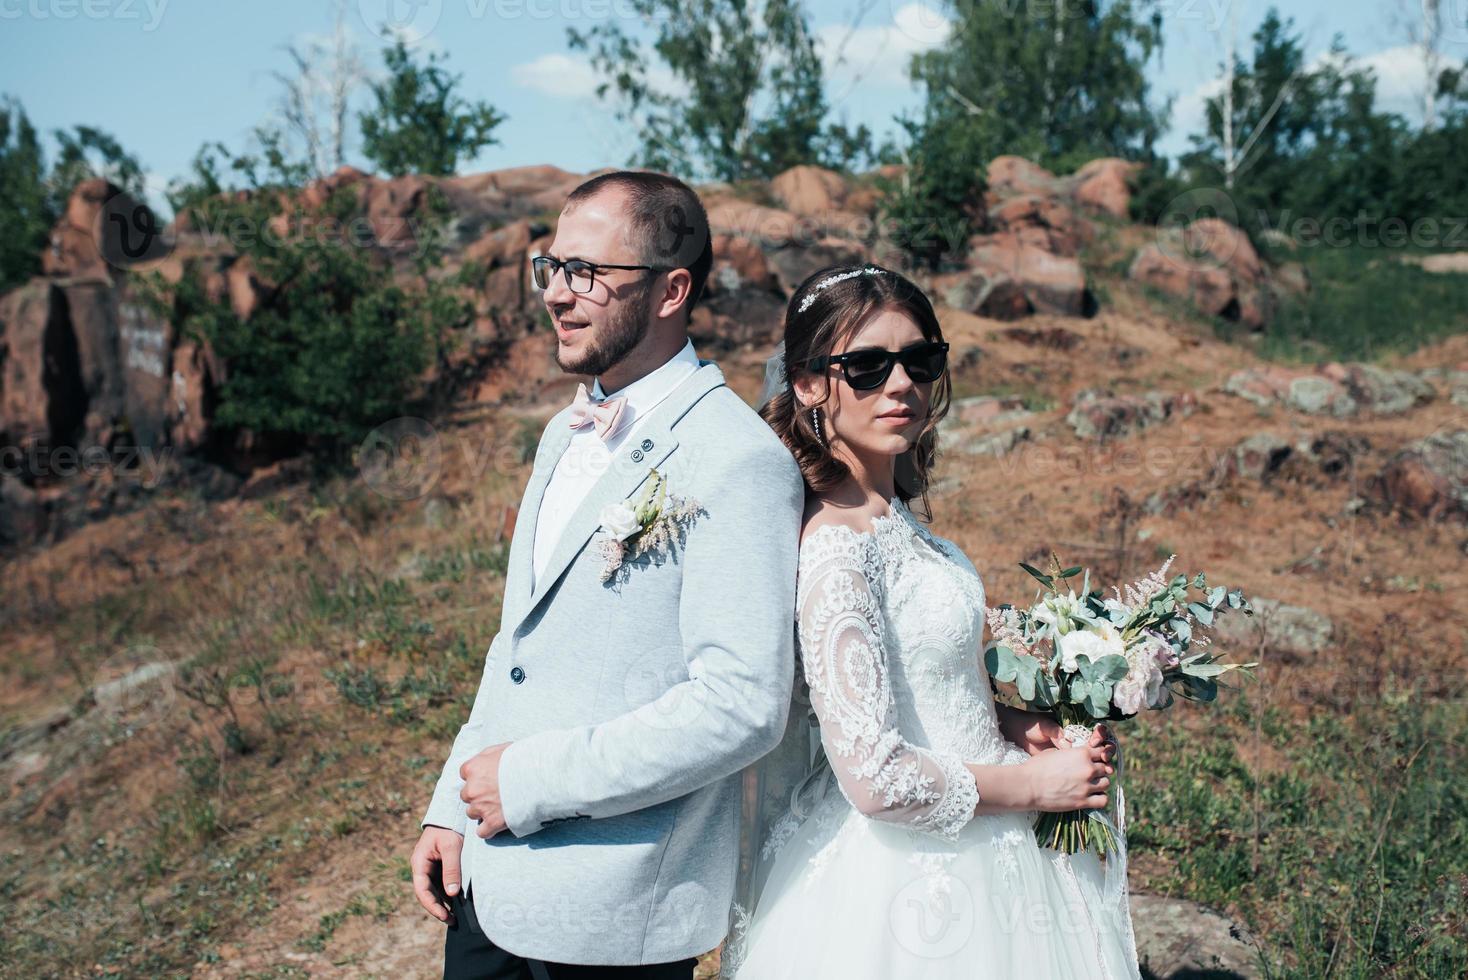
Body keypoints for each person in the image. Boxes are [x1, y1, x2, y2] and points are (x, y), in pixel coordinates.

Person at [409, 170, 805, 979]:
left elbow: (743, 705)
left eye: (587, 272)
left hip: (616, 911)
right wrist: (452, 803)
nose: (557, 293)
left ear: (671, 291)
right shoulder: (563, 431)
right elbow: (518, 643)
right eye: (551, 267)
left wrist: (529, 782)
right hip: (489, 882)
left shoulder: (739, 460)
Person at [722, 264, 1139, 979]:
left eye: (920, 360)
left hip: (993, 826)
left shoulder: (910, 529)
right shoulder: (835, 550)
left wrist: (1020, 728)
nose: (900, 384)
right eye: (866, 366)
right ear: (807, 384)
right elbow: (875, 777)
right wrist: (1040, 789)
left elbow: (930, 687)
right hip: (904, 878)